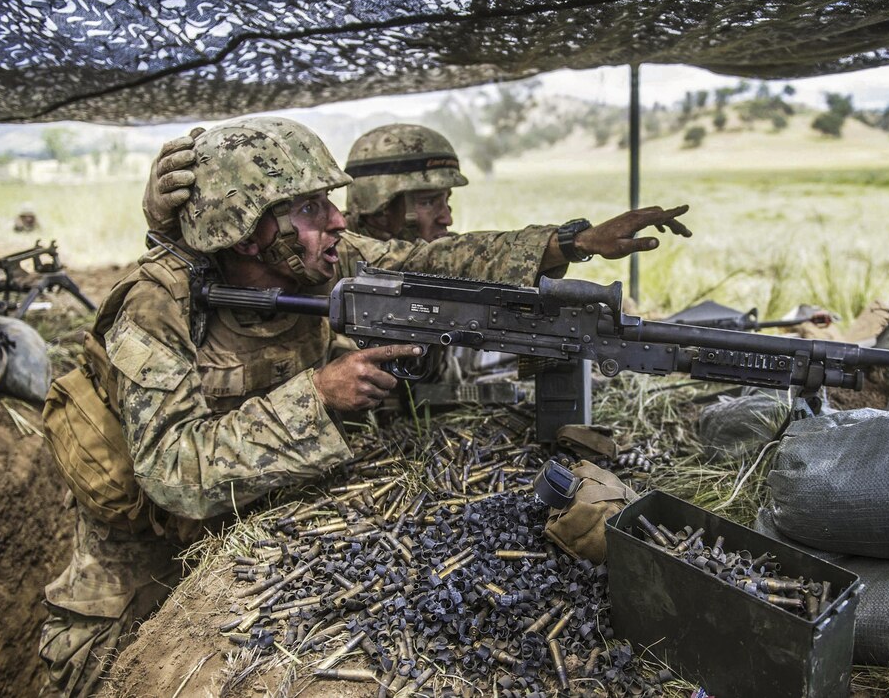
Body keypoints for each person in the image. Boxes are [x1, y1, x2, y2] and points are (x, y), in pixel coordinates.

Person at [40, 115, 691, 696]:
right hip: (136, 566)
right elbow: (172, 471)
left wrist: (568, 242)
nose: (339, 220)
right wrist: (317, 396)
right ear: (248, 231)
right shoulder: (155, 305)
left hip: (239, 534)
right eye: (312, 206)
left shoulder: (327, 260)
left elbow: (436, 259)